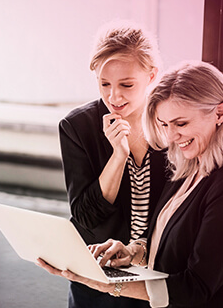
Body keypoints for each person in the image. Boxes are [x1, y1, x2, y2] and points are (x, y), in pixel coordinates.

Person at [39, 61, 223, 307]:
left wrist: (106, 284)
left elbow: (195, 287)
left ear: (220, 114)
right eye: (163, 124)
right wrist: (133, 252)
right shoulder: (190, 163)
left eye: (181, 124)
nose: (171, 137)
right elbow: (176, 245)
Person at [57, 21, 169, 307]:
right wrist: (118, 155)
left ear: (152, 76)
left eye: (126, 85)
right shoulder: (76, 127)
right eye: (104, 83)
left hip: (159, 276)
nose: (113, 97)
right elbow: (85, 216)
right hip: (98, 281)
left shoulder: (171, 124)